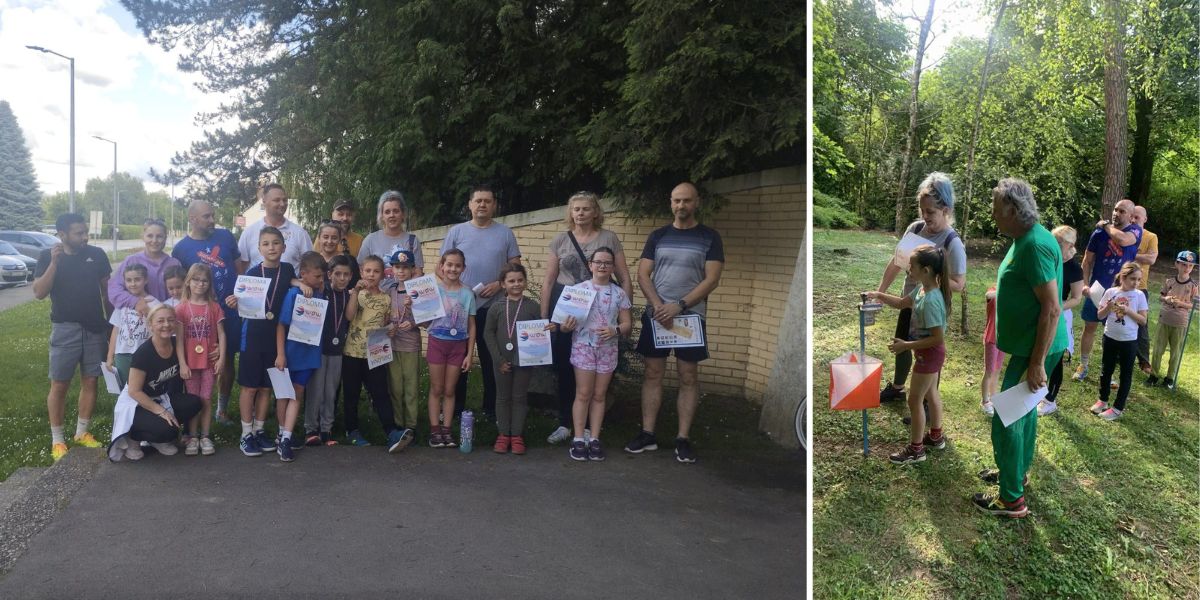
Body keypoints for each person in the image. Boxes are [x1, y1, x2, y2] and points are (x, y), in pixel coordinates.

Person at [974, 178, 1067, 518]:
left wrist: (1038, 362)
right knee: (1023, 413)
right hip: (1029, 348)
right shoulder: (1025, 238)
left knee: (1006, 417)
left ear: (1013, 210)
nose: (993, 214)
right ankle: (1017, 475)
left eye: (996, 208)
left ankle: (1011, 499)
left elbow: (1053, 307)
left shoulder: (1033, 246)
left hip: (1036, 351)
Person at [625, 182, 724, 464]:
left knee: (688, 376)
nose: (681, 206)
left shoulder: (710, 237)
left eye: (687, 201)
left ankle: (682, 438)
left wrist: (678, 305)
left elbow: (712, 279)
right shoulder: (658, 236)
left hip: (690, 318)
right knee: (653, 373)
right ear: (671, 203)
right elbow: (643, 275)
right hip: (656, 317)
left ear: (697, 202)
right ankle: (647, 434)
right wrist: (658, 306)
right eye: (676, 201)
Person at [539, 191, 634, 445]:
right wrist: (545, 317)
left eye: (585, 209)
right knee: (564, 367)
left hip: (600, 309)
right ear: (570, 213)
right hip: (567, 306)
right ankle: (564, 423)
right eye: (576, 209)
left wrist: (625, 314)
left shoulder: (608, 238)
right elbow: (548, 281)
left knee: (598, 369)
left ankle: (592, 429)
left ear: (595, 212)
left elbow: (624, 277)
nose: (580, 213)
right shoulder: (560, 240)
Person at [873, 173, 967, 405]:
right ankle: (897, 388)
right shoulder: (915, 229)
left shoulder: (952, 242)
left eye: (931, 212)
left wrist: (930, 283)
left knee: (930, 353)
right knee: (901, 342)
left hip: (932, 306)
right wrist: (879, 292)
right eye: (922, 210)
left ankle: (927, 402)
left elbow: (959, 283)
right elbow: (897, 262)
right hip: (910, 299)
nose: (925, 217)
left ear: (946, 209)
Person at [439, 184, 521, 420]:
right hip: (460, 308)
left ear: (494, 204)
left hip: (494, 307)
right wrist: (458, 288)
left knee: (492, 359)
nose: (482, 205)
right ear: (470, 205)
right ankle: (455, 409)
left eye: (487, 201)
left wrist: (499, 283)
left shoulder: (505, 233)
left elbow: (515, 267)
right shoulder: (457, 232)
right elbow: (440, 267)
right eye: (478, 201)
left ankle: (492, 409)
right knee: (458, 359)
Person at [33, 213, 112, 460]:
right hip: (64, 328)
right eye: (78, 233)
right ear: (62, 234)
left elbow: (106, 293)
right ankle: (57, 440)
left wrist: (111, 325)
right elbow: (38, 293)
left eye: (85, 231)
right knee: (60, 383)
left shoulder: (97, 255)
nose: (84, 236)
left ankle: (82, 432)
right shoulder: (47, 257)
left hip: (95, 328)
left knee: (91, 380)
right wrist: (54, 264)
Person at [866, 245, 950, 465]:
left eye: (912, 266)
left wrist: (906, 345)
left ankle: (916, 450)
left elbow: (937, 338)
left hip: (929, 354)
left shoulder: (931, 299)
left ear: (927, 270)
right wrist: (879, 295)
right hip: (928, 353)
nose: (908, 269)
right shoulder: (922, 289)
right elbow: (903, 303)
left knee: (914, 400)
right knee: (931, 393)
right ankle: (936, 437)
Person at [226, 226, 295, 457]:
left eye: (276, 243)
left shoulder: (287, 269)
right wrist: (234, 302)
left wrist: (300, 283)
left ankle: (259, 430)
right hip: (253, 335)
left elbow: (290, 281)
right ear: (259, 248)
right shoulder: (252, 274)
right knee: (249, 387)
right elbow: (240, 298)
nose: (271, 248)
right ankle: (245, 434)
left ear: (283, 247)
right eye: (266, 244)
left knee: (266, 387)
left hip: (274, 336)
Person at [172, 200, 242, 425]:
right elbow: (179, 282)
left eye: (213, 215)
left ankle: (221, 409)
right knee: (195, 361)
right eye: (206, 217)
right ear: (193, 219)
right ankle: (193, 411)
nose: (212, 220)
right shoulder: (181, 249)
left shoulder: (226, 237)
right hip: (196, 317)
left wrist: (240, 294)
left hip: (229, 312)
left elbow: (240, 269)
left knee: (227, 358)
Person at [559, 248, 632, 462]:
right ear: (590, 265)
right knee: (583, 393)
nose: (602, 266)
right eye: (598, 262)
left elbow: (627, 324)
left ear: (612, 267)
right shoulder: (577, 290)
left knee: (600, 395)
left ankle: (595, 438)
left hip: (608, 349)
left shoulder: (619, 293)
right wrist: (566, 326)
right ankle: (579, 438)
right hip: (583, 347)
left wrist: (615, 330)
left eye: (607, 263)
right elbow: (563, 326)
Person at [107, 304, 203, 462]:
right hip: (136, 402)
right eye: (160, 321)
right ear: (150, 324)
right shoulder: (143, 353)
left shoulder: (175, 345)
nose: (166, 325)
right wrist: (162, 412)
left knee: (194, 403)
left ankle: (156, 440)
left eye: (170, 320)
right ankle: (133, 439)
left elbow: (192, 343)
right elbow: (134, 391)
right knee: (168, 429)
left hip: (159, 396)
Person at [341, 255, 412, 452]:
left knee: (381, 393)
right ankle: (352, 430)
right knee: (352, 394)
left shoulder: (386, 298)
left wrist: (391, 329)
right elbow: (349, 315)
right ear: (362, 272)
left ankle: (391, 432)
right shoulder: (355, 293)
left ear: (383, 274)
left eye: (376, 271)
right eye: (368, 271)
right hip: (353, 352)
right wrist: (355, 291)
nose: (371, 274)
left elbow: (388, 323)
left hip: (376, 353)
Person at [1073, 199, 1142, 381]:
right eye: (1115, 210)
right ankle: (1083, 365)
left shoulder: (1135, 231)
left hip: (1121, 291)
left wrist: (1105, 225)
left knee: (1113, 333)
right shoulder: (1098, 234)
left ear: (1131, 216)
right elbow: (1087, 261)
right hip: (1097, 289)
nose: (1116, 214)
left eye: (1121, 211)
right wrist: (1086, 284)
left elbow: (1122, 240)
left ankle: (1108, 371)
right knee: (1090, 326)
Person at [274, 252, 330, 461]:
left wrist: (320, 290)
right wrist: (280, 354)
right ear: (303, 274)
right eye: (317, 277)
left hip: (309, 353)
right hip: (290, 353)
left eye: (322, 277)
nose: (320, 280)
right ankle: (281, 434)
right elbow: (281, 324)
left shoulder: (319, 294)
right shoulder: (293, 294)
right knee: (283, 394)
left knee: (297, 392)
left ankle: (287, 437)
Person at [483, 264, 542, 455]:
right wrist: (498, 359)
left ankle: (516, 435)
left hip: (524, 361)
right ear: (503, 284)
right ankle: (503, 434)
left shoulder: (533, 307)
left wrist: (548, 330)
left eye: (520, 280)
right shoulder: (496, 307)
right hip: (501, 361)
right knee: (502, 397)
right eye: (511, 281)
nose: (516, 284)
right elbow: (488, 334)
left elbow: (539, 333)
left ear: (525, 282)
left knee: (519, 397)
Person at [423, 249, 477, 448]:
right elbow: (424, 319)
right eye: (449, 265)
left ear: (463, 268)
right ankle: (434, 431)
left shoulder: (467, 293)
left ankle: (447, 430)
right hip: (437, 342)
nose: (453, 269)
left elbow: (472, 325)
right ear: (442, 266)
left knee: (449, 389)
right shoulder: (432, 290)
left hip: (458, 346)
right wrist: (415, 306)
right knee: (436, 388)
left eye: (457, 265)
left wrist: (470, 354)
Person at [304, 254, 356, 445]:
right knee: (315, 390)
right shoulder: (320, 290)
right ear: (329, 275)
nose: (342, 278)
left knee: (331, 391)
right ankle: (311, 429)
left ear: (351, 276)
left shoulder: (348, 295)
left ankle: (327, 429)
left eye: (346, 275)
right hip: (318, 349)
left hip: (337, 349)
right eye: (338, 274)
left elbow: (349, 317)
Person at [175, 263, 225, 456]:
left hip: (208, 363)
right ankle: (192, 436)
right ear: (188, 282)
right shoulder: (181, 309)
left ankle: (205, 436)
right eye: (196, 280)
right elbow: (178, 340)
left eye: (204, 281)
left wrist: (221, 358)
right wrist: (182, 363)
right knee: (193, 401)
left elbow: (223, 334)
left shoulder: (214, 307)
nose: (200, 284)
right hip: (190, 364)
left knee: (205, 399)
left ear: (209, 284)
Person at [1090, 263, 1149, 420]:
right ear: (1123, 277)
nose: (1136, 283)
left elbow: (1143, 321)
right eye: (1132, 279)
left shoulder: (1140, 295)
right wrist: (1109, 307)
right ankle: (1102, 400)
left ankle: (1117, 408)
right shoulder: (1110, 292)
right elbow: (1100, 316)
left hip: (1129, 342)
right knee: (1106, 370)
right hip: (1109, 337)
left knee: (1125, 375)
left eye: (1138, 280)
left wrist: (1128, 311)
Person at [1038, 226, 1084, 416]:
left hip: (1059, 314)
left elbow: (1076, 298)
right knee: (1040, 352)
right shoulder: (1049, 259)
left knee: (1056, 356)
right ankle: (1036, 392)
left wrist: (1056, 306)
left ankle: (1050, 400)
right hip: (1042, 312)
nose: (1054, 245)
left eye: (1058, 242)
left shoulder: (1073, 268)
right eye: (1053, 240)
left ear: (1070, 245)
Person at [385, 249, 422, 439]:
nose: (401, 271)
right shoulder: (389, 291)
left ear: (412, 270)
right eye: (397, 267)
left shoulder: (419, 292)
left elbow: (428, 318)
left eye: (405, 268)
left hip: (410, 344)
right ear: (392, 269)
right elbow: (383, 317)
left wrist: (414, 318)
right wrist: (388, 326)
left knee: (411, 386)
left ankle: (412, 425)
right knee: (395, 387)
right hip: (392, 344)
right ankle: (399, 425)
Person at [107, 218, 182, 311]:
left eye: (159, 236)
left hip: (166, 319)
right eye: (150, 236)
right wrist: (135, 302)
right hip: (137, 317)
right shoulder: (131, 261)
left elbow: (183, 293)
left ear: (165, 238)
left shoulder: (174, 263)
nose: (154, 240)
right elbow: (114, 289)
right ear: (143, 237)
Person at [1148, 251, 1198, 387]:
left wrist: (1181, 303)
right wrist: (1167, 299)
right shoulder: (1169, 281)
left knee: (1175, 352)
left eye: (1190, 266)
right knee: (1158, 349)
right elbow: (1160, 297)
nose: (1186, 268)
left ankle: (1169, 378)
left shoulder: (1193, 286)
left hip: (1180, 323)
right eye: (1183, 264)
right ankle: (1153, 375)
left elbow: (1193, 305)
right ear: (1176, 264)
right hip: (1164, 319)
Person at [237, 183, 314, 271]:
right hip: (257, 284)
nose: (282, 204)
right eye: (277, 200)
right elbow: (241, 267)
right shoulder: (249, 232)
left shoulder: (300, 233)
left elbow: (310, 265)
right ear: (264, 201)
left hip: (289, 284)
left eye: (284, 200)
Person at [105, 263, 157, 387]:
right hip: (122, 354)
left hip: (144, 353)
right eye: (129, 280)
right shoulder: (122, 303)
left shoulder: (154, 303)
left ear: (146, 280)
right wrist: (110, 356)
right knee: (124, 388)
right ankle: (125, 407)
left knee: (143, 387)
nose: (133, 284)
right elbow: (116, 330)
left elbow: (157, 331)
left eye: (137, 279)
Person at [358, 190, 425, 283]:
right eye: (387, 212)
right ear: (381, 216)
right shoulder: (370, 240)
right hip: (377, 296)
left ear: (403, 214)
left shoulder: (412, 241)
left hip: (404, 296)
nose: (392, 215)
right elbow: (361, 270)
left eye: (396, 211)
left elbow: (418, 272)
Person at [1129, 206, 1158, 373]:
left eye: (1137, 217)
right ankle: (1119, 355)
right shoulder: (1125, 233)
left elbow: (1151, 258)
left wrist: (1131, 252)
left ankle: (1144, 361)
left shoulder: (1150, 237)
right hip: (1121, 285)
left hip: (1141, 287)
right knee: (1119, 317)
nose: (1133, 220)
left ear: (1145, 219)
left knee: (1142, 324)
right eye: (1132, 217)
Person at [980, 286, 1001, 416]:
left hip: (1002, 339)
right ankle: (984, 401)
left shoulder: (1012, 293)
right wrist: (1005, 289)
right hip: (991, 338)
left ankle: (993, 397)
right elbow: (989, 295)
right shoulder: (994, 290)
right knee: (989, 371)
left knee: (997, 370)